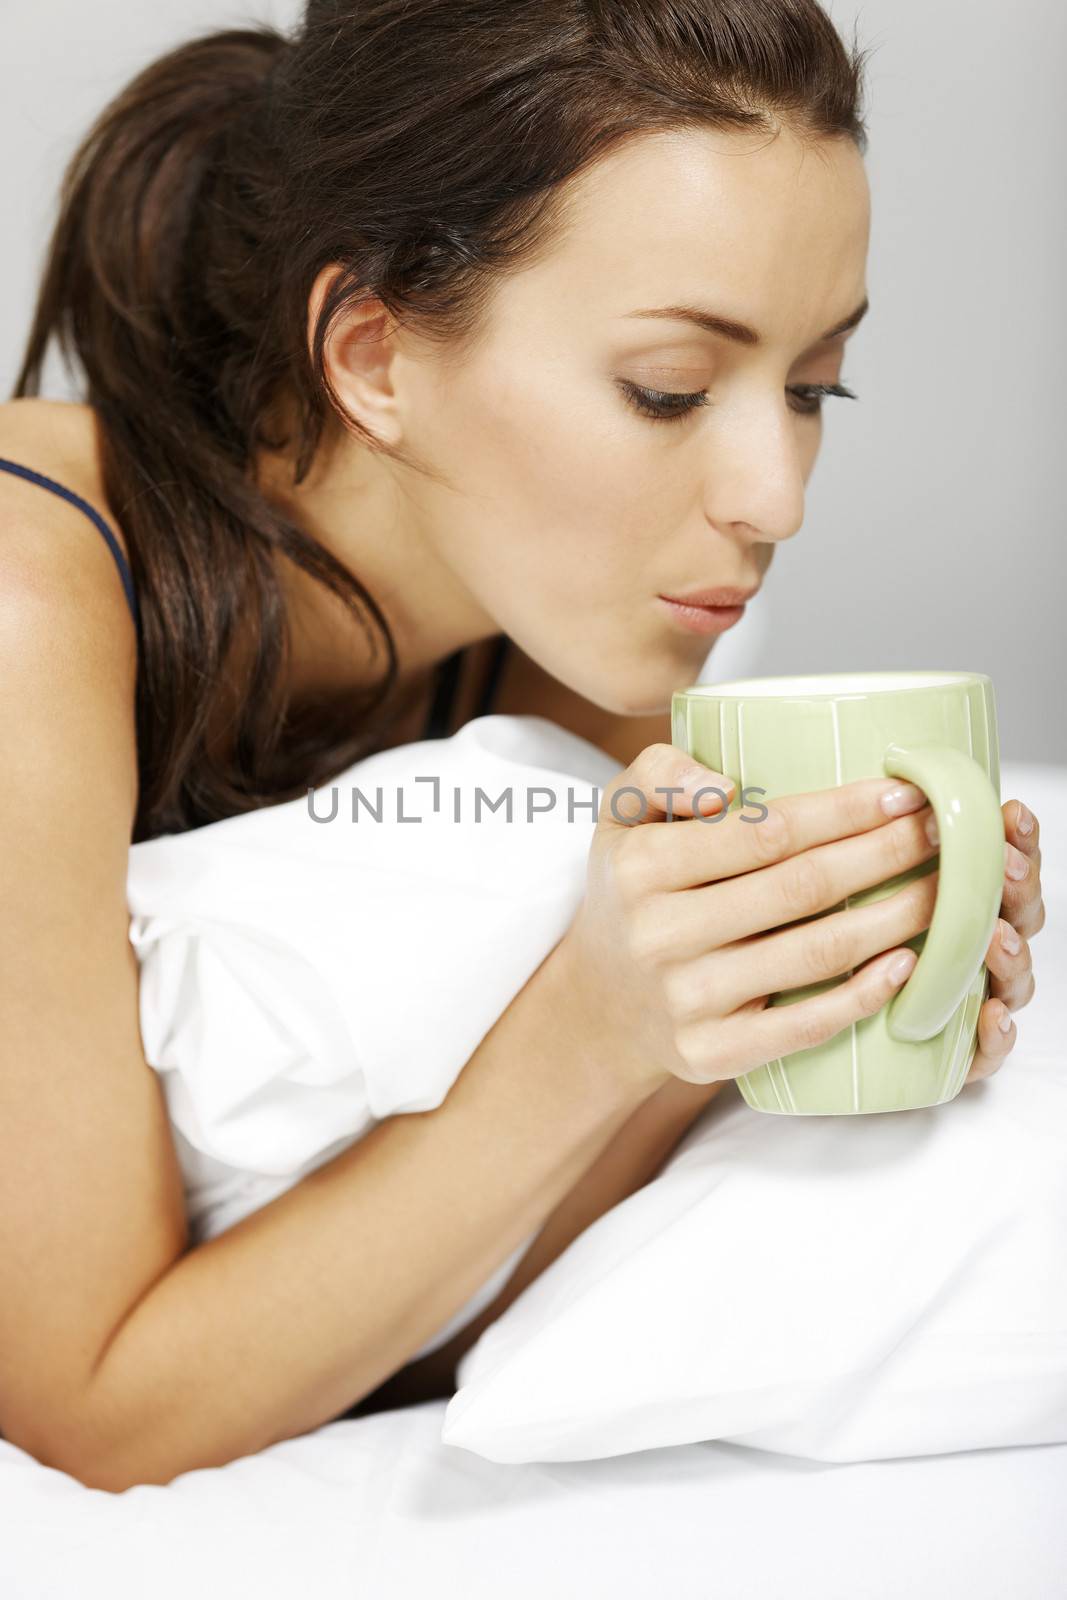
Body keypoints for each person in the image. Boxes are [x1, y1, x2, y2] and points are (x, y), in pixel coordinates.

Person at [0, 0, 1044, 1493]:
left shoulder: (579, 631)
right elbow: (90, 1410)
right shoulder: (28, 614)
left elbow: (432, 1317)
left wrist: (756, 1005)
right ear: (372, 356)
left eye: (814, 388)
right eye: (669, 389)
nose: (774, 496)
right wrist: (592, 1036)